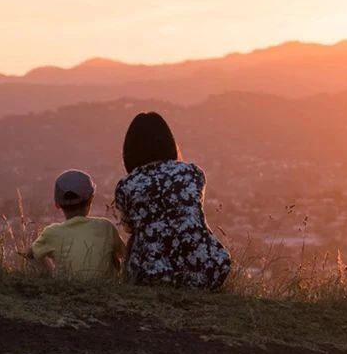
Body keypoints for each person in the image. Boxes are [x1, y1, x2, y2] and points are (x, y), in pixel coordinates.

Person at [114, 112, 231, 290]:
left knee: (137, 236)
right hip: (208, 269)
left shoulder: (127, 185)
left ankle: (129, 288)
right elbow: (192, 213)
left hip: (152, 276)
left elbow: (129, 227)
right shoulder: (192, 173)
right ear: (169, 143)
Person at [27, 169, 125, 279]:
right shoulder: (106, 227)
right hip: (107, 292)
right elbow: (124, 254)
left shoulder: (52, 232)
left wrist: (51, 275)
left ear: (57, 204)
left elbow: (31, 255)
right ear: (91, 200)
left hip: (66, 291)